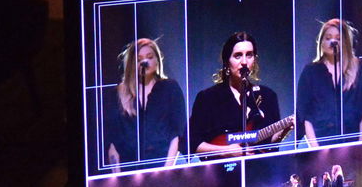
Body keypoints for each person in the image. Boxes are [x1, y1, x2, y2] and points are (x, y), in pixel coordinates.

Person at [187, 32, 284, 155]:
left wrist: (283, 132)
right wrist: (225, 151)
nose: (244, 62)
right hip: (220, 171)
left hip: (259, 169)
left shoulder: (267, 96)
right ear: (227, 61)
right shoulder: (207, 98)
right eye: (238, 56)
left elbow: (271, 145)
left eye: (249, 55)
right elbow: (192, 143)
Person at [101, 37, 186, 168]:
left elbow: (176, 133)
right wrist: (117, 177)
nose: (144, 62)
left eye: (150, 57)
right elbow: (112, 141)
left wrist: (166, 169)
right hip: (129, 167)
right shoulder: (118, 93)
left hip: (161, 166)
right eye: (139, 59)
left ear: (157, 60)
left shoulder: (169, 88)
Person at [296, 18, 362, 145]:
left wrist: (360, 145)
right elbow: (305, 116)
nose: (333, 41)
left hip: (351, 142)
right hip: (321, 143)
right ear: (321, 42)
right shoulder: (310, 72)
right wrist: (317, 150)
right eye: (328, 38)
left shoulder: (358, 69)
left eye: (338, 38)